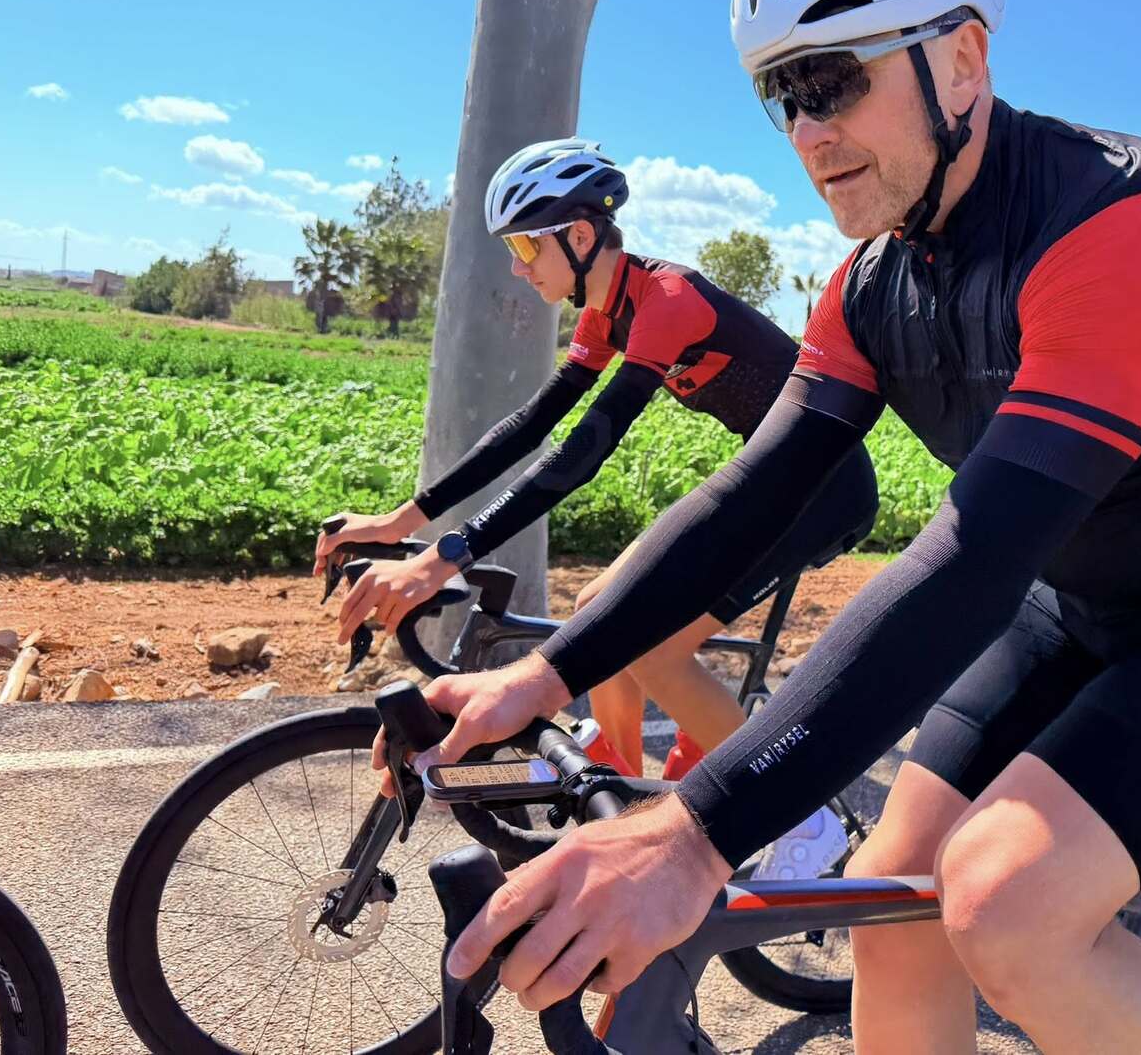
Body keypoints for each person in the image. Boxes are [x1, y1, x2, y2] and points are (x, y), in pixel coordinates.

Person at [387, 0, 1141, 1054]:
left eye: (832, 80)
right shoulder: (869, 286)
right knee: (890, 905)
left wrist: (692, 835)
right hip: (1095, 592)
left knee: (1005, 906)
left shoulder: (1126, 225)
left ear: (964, 61)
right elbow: (750, 495)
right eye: (781, 95)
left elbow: (976, 557)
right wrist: (544, 677)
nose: (807, 132)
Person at [324, 138, 877, 866]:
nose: (518, 266)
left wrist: (446, 556)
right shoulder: (605, 310)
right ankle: (620, 787)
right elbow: (533, 426)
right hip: (769, 478)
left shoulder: (668, 301)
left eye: (526, 246)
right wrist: (405, 519)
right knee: (596, 610)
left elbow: (585, 450)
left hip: (823, 489)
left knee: (653, 649)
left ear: (580, 238)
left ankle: (806, 826)